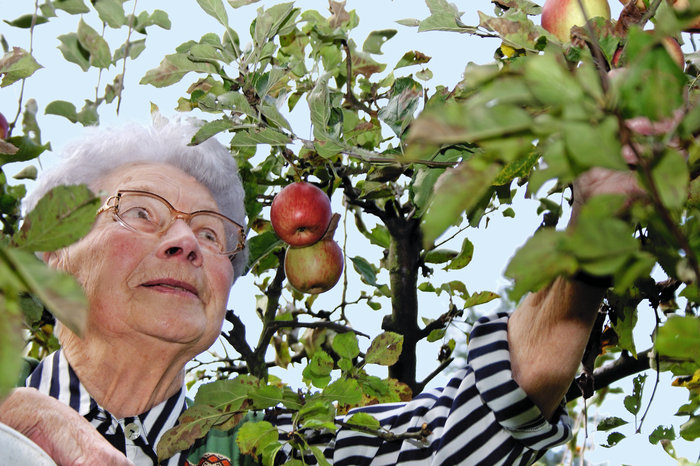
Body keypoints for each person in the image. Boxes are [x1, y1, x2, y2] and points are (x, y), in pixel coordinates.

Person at [0, 114, 634, 465]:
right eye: (141, 212)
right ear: (53, 254)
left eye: (214, 235)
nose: (186, 243)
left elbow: (469, 425)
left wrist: (598, 215)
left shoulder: (279, 449)